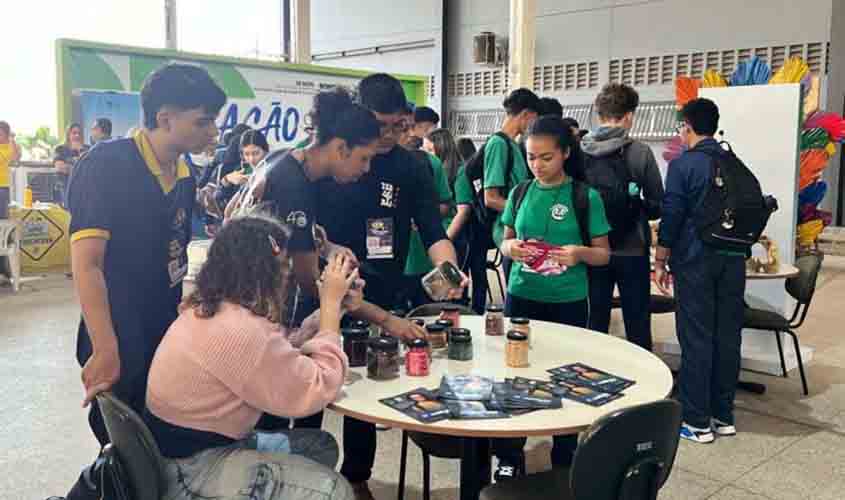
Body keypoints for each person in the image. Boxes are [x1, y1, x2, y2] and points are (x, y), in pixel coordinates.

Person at [53, 63, 225, 500]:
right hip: (116, 329)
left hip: (161, 327)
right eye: (202, 121)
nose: (213, 131)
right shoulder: (106, 166)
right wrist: (107, 348)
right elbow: (88, 265)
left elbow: (173, 253)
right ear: (165, 118)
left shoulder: (185, 173)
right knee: (129, 454)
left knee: (156, 447)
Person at [315, 73, 467, 500]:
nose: (387, 135)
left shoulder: (413, 165)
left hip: (384, 287)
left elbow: (432, 229)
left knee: (368, 383)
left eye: (396, 125)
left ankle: (357, 476)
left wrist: (449, 267)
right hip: (324, 289)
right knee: (311, 384)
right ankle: (305, 476)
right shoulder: (334, 158)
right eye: (378, 125)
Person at [144, 214, 356, 500]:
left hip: (178, 450)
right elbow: (318, 385)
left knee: (320, 446)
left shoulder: (212, 309)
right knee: (335, 490)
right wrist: (329, 304)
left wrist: (334, 310)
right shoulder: (239, 330)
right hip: (191, 469)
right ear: (259, 270)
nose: (286, 276)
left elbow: (273, 355)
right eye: (281, 267)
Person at [496, 115, 611, 478]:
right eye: (531, 157)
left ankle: (565, 454)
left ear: (564, 153)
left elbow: (603, 254)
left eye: (546, 157)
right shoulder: (520, 192)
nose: (538, 165)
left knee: (566, 377)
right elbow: (505, 238)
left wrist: (578, 253)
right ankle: (509, 455)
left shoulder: (584, 196)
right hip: (521, 297)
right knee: (514, 376)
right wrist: (511, 246)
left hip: (567, 301)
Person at [655, 98, 745, 444]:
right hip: (733, 259)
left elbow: (672, 217)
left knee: (696, 337)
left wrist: (661, 260)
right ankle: (724, 416)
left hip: (695, 261)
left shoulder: (684, 165)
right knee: (727, 336)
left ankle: (696, 421)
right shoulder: (732, 160)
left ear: (688, 127)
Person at [581, 83, 664, 352]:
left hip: (591, 248)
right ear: (628, 116)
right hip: (631, 247)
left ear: (598, 113)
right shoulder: (639, 152)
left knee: (595, 320)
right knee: (637, 320)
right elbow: (656, 205)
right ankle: (643, 384)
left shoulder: (579, 151)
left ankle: (591, 377)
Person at [483, 88, 541, 283]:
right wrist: (523, 211)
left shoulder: (514, 145)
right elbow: (491, 198)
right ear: (525, 114)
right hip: (506, 231)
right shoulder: (498, 144)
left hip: (518, 228)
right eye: (535, 119)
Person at [403, 120, 455, 309]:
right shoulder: (371, 162)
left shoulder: (430, 163)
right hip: (385, 265)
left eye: (404, 126)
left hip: (425, 258)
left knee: (426, 317)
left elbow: (446, 204)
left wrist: (424, 215)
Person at [53, 123, 89, 206]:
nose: (77, 135)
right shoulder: (60, 149)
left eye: (79, 133)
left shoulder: (87, 149)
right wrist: (80, 169)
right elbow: (60, 168)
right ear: (68, 134)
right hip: (65, 187)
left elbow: (89, 169)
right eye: (74, 133)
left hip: (84, 189)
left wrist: (81, 150)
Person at [0, 121, 22, 219]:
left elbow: (16, 159)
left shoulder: (13, 146)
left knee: (4, 215)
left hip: (4, 186)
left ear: (6, 134)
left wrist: (12, 140)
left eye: (0, 134)